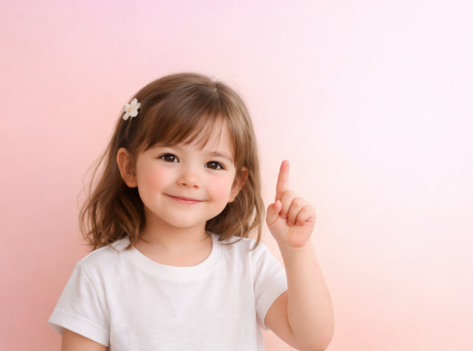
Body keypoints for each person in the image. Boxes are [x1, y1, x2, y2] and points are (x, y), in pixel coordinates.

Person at [48, 73, 334, 351]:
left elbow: (311, 340)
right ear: (129, 167)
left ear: (236, 183)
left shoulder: (249, 264)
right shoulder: (98, 275)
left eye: (213, 165)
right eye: (169, 157)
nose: (190, 178)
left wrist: (296, 250)